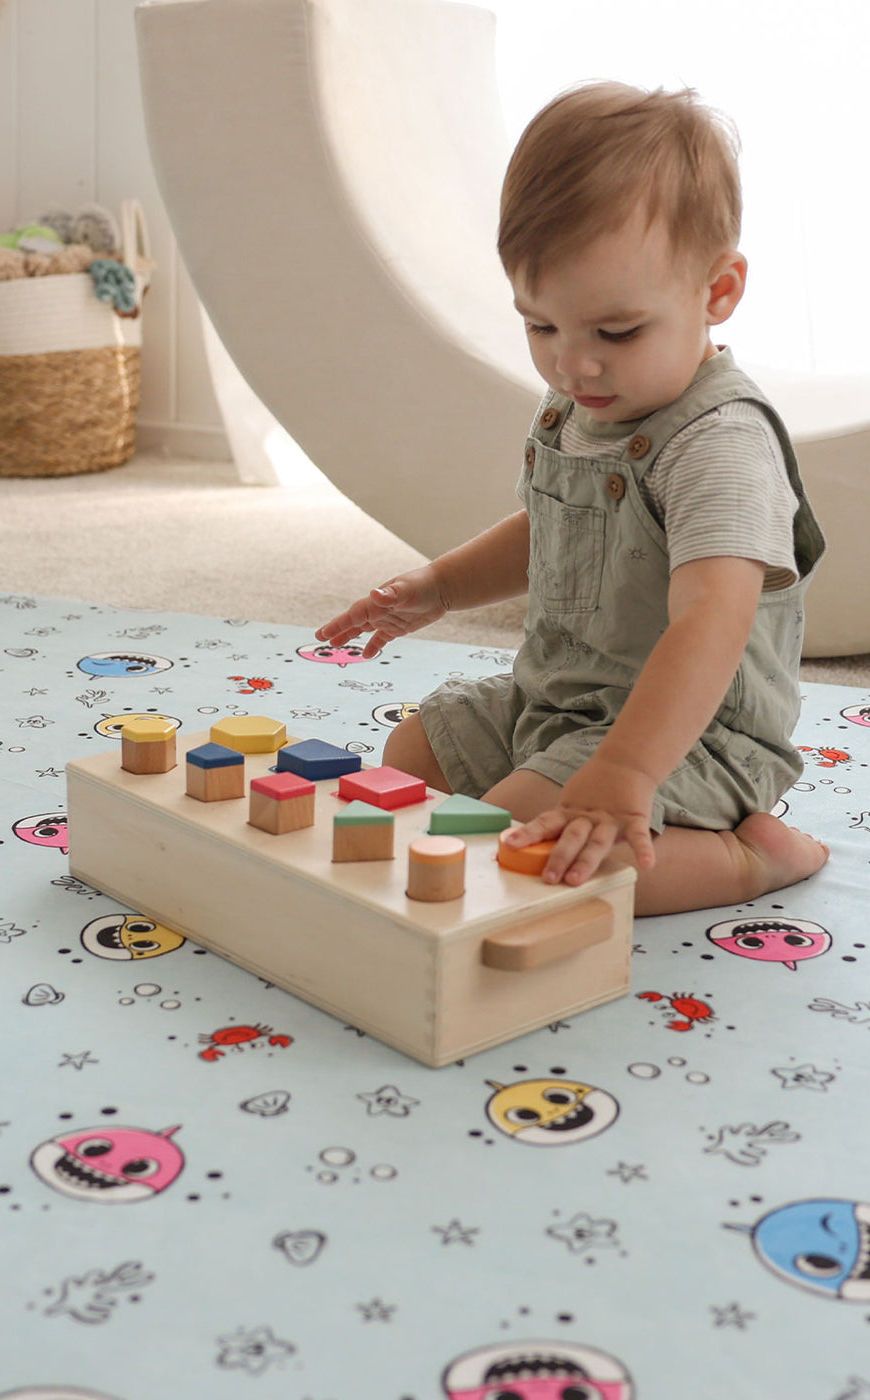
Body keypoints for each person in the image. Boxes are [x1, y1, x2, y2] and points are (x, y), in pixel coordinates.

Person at [314, 81, 829, 917]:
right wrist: (440, 586)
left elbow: (714, 619)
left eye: (615, 332)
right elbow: (551, 532)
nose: (572, 364)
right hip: (557, 701)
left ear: (718, 291)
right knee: (409, 756)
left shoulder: (720, 445)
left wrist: (624, 771)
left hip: (691, 735)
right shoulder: (581, 403)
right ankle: (577, 789)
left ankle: (744, 859)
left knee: (522, 852)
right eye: (541, 325)